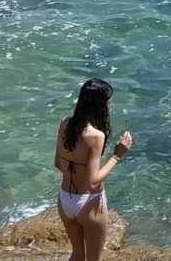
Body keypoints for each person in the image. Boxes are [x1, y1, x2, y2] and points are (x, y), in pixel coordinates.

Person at [52, 78, 132, 261]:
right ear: (100, 105)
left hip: (65, 199)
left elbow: (58, 163)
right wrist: (117, 155)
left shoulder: (64, 123)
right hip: (89, 203)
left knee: (77, 255)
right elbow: (92, 182)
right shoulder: (96, 136)